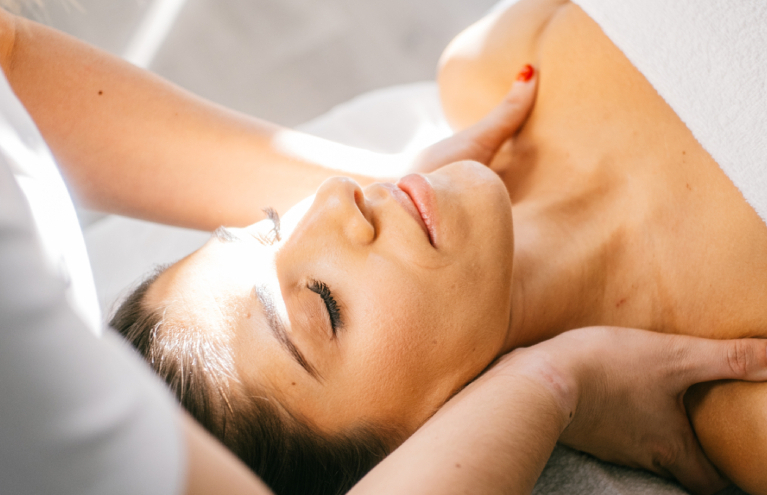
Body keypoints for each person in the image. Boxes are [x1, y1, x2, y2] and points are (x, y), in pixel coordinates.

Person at [0, 2, 764, 495]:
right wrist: (546, 382)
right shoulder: (745, 398)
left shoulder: (489, 63)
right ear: (425, 446)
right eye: (322, 307)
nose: (335, 202)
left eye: (273, 223)